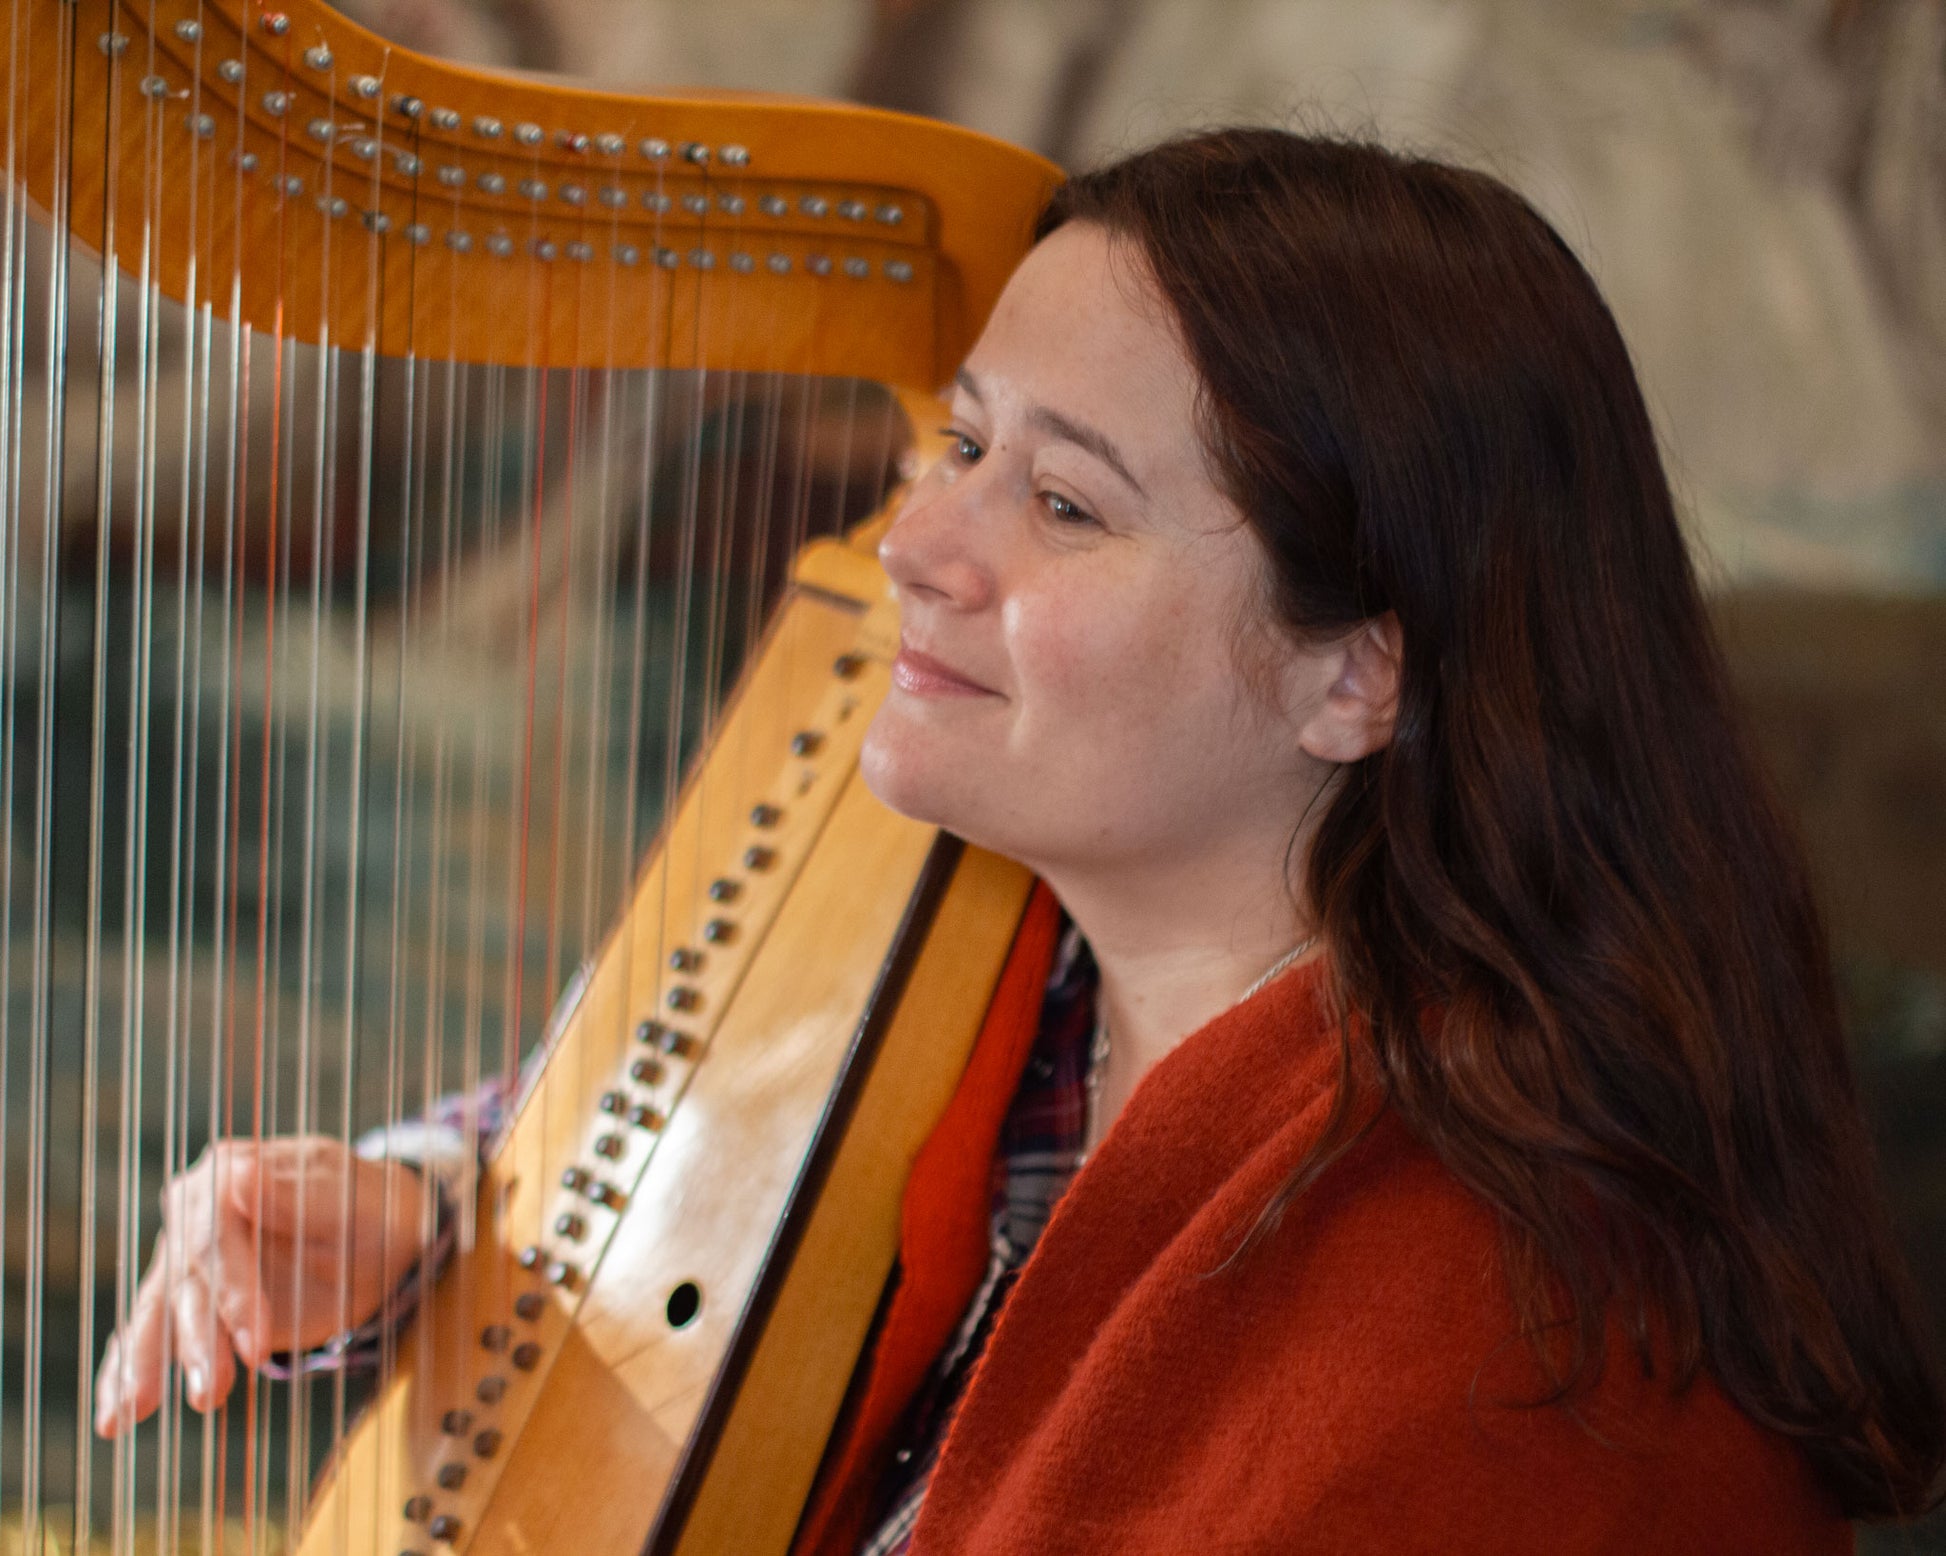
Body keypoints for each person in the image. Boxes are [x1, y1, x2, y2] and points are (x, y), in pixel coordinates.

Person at [94, 128, 1946, 1552]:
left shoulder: (1518, 1333)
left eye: (1061, 500)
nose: (915, 542)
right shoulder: (1012, 956)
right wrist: (409, 1213)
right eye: (956, 442)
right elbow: (595, 1142)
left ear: (1355, 677)